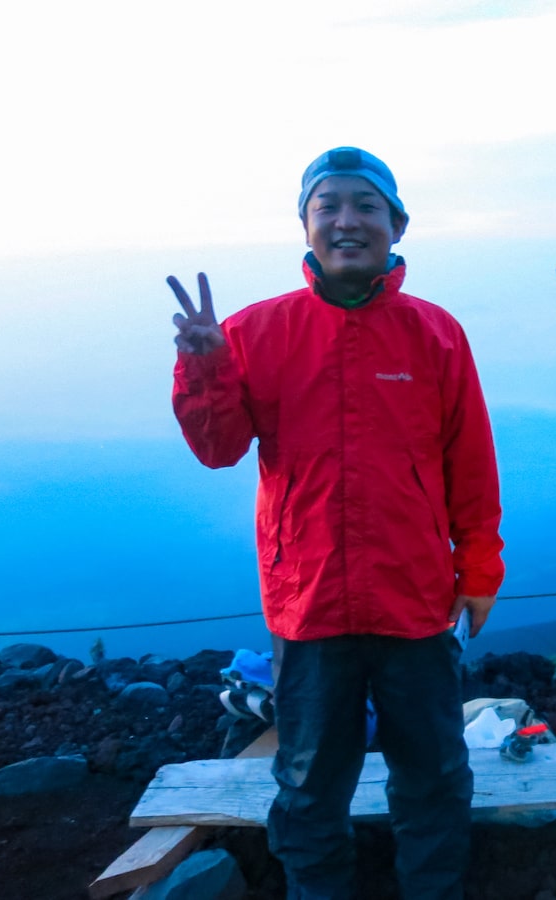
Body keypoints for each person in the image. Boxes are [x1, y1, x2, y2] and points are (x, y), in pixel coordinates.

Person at [168, 146, 505, 900]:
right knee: (310, 783)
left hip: (414, 599)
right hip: (310, 600)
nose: (347, 221)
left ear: (397, 224)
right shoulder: (255, 332)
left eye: (365, 206)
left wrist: (479, 570)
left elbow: (471, 466)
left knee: (435, 777)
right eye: (330, 206)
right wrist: (204, 366)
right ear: (305, 223)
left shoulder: (436, 334)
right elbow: (219, 450)